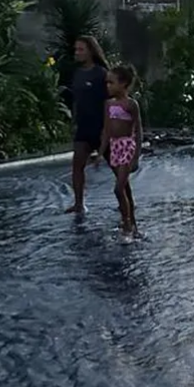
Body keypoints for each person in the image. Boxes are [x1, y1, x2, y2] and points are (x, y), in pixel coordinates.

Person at [65, 36, 109, 216]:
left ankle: (125, 200)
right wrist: (73, 122)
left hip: (100, 127)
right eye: (76, 49)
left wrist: (109, 128)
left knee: (116, 168)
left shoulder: (102, 73)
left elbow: (110, 101)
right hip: (83, 127)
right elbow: (77, 100)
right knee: (77, 166)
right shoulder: (77, 74)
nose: (77, 53)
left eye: (80, 49)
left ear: (91, 51)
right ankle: (78, 203)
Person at [102, 64, 144, 237]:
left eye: (112, 83)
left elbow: (139, 130)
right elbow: (106, 129)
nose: (108, 86)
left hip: (127, 146)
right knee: (125, 188)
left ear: (124, 84)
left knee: (118, 189)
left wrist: (136, 155)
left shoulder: (131, 104)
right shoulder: (108, 104)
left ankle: (127, 222)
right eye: (107, 83)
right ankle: (130, 220)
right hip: (115, 146)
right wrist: (100, 151)